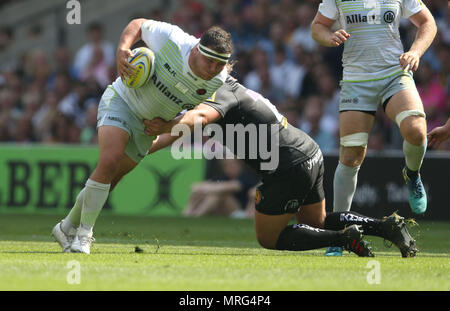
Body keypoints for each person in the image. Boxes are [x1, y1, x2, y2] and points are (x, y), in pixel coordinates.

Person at [144, 76, 418, 258]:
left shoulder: (219, 94)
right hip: (308, 151)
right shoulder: (232, 90)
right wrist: (146, 148)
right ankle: (386, 227)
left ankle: (345, 238)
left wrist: (165, 124)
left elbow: (193, 120)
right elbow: (182, 130)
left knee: (268, 237)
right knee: (316, 222)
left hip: (286, 165)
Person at [51, 18, 234, 254]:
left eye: (218, 65)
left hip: (148, 127)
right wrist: (122, 49)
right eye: (209, 61)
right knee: (109, 160)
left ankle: (66, 226)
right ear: (198, 49)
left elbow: (196, 118)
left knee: (111, 178)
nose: (212, 69)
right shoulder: (174, 41)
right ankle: (84, 235)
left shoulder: (217, 82)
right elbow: (138, 23)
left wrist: (166, 128)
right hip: (122, 101)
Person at [311, 0, 437, 256]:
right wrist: (329, 36)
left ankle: (412, 175)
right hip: (357, 79)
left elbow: (427, 23)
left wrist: (415, 51)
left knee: (416, 130)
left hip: (394, 72)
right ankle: (339, 234)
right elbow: (317, 27)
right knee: (351, 155)